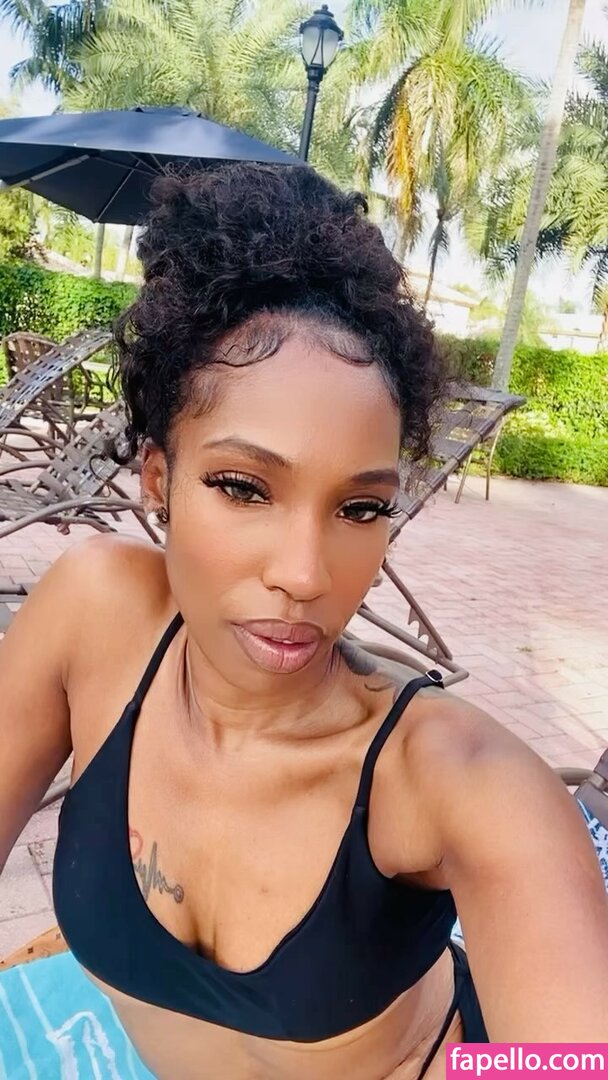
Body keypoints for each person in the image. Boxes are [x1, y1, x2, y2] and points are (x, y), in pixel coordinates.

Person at [1, 163, 607, 1080]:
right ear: (159, 480)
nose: (305, 574)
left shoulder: (461, 782)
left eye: (361, 508)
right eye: (243, 487)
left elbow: (568, 1058)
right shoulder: (94, 616)